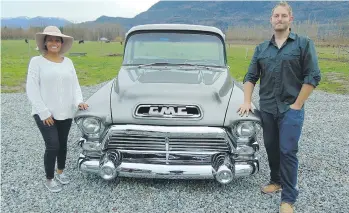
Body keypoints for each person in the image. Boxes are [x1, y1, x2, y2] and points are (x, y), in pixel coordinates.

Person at [238, 2, 321, 213]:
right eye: (276, 16)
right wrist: (247, 101)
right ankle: (276, 181)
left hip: (290, 110)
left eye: (284, 16)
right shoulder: (261, 49)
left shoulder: (303, 44)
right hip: (267, 109)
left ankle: (288, 198)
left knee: (288, 151)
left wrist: (297, 105)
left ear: (290, 19)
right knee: (272, 148)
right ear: (271, 19)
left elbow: (312, 76)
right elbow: (250, 77)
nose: (280, 19)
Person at [26, 26, 89, 192]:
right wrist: (44, 112)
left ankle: (60, 171)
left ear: (61, 43)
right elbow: (31, 88)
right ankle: (49, 178)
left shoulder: (68, 62)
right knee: (52, 145)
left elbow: (75, 85)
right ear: (45, 43)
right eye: (50, 40)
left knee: (62, 144)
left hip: (65, 111)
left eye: (57, 40)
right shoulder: (36, 62)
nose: (54, 43)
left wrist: (79, 102)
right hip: (44, 113)